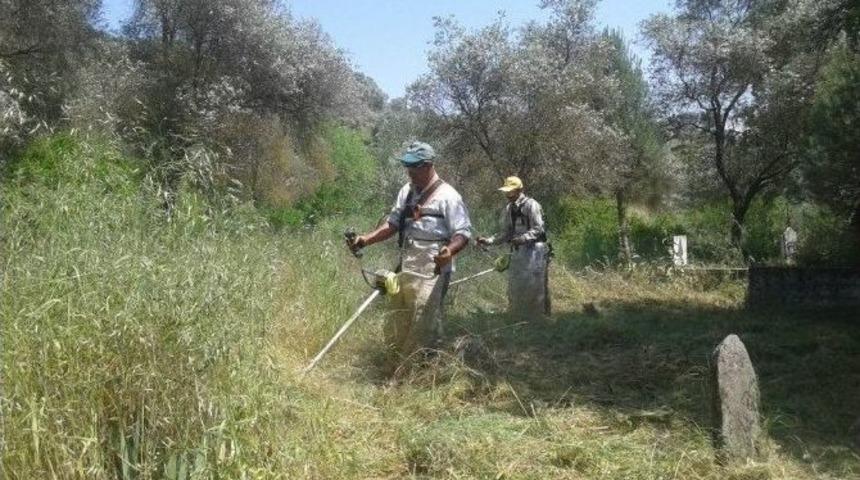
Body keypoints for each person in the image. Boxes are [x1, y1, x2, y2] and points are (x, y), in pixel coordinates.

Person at [346, 141, 472, 373]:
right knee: (398, 318)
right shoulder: (406, 191)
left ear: (429, 165)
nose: (409, 171)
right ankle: (399, 363)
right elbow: (393, 224)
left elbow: (463, 233)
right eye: (407, 166)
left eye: (414, 167)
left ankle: (410, 374)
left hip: (433, 266)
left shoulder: (449, 196)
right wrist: (364, 239)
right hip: (407, 262)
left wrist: (449, 251)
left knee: (422, 321)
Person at [477, 176, 551, 316]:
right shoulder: (509, 209)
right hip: (518, 251)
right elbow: (505, 233)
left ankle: (537, 318)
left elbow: (538, 229)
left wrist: (523, 238)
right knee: (515, 283)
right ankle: (516, 314)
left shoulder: (531, 205)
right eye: (506, 191)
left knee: (535, 285)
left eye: (510, 191)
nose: (508, 194)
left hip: (535, 250)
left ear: (519, 190)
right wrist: (488, 241)